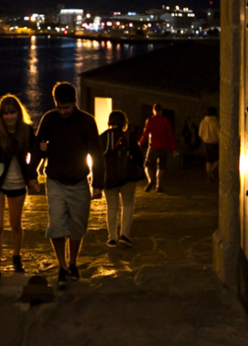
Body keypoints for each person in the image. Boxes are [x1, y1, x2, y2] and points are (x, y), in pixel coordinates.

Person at [32, 82, 105, 289]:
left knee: (77, 226)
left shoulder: (87, 122)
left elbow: (96, 153)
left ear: (75, 102)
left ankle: (73, 262)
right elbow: (38, 146)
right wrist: (32, 174)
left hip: (79, 181)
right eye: (59, 107)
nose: (63, 111)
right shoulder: (49, 119)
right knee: (56, 225)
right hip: (55, 180)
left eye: (66, 107)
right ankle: (62, 266)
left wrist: (98, 184)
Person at [0, 94, 41, 292]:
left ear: (18, 112)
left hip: (17, 181)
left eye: (12, 112)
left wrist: (33, 176)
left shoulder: (26, 130)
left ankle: (16, 256)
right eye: (5, 113)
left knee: (16, 224)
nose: (9, 117)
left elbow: (36, 153)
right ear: (1, 114)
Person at [92, 110, 145, 248]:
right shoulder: (128, 136)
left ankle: (112, 238)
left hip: (108, 177)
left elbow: (96, 160)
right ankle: (125, 236)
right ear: (123, 122)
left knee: (112, 207)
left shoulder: (102, 137)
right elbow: (139, 156)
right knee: (127, 204)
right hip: (127, 176)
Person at [138, 103, 175, 193]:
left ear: (153, 110)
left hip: (153, 146)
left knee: (147, 165)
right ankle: (158, 185)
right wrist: (173, 148)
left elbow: (145, 133)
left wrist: (140, 143)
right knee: (161, 167)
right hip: (163, 147)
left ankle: (150, 180)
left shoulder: (150, 120)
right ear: (161, 110)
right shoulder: (166, 120)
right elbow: (170, 135)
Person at [198, 106, 220, 180]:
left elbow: (200, 133)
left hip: (206, 143)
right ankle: (210, 171)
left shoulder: (203, 122)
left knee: (208, 159)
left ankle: (208, 172)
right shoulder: (215, 122)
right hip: (214, 143)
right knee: (217, 159)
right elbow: (219, 133)